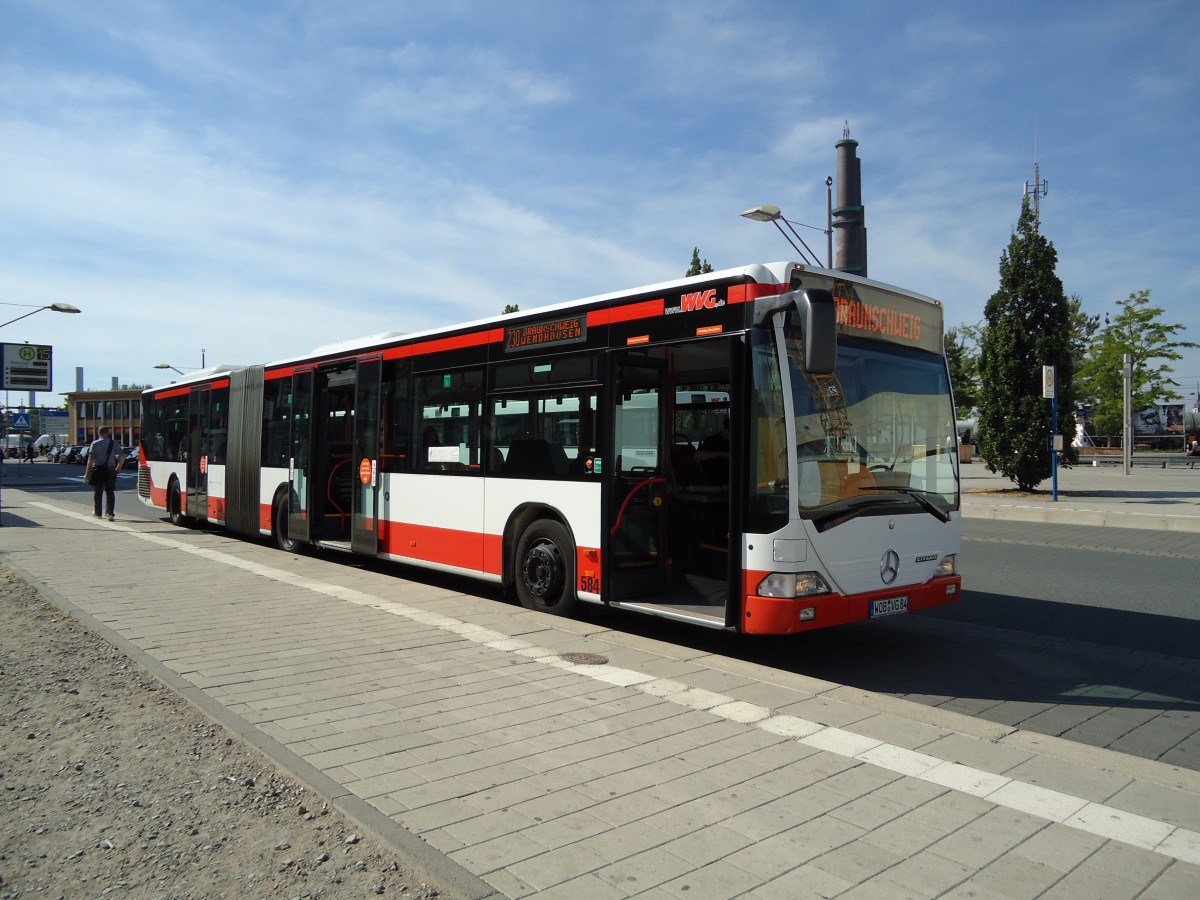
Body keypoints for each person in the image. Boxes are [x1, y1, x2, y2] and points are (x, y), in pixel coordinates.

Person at [85, 426, 124, 520]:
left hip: (98, 470)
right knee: (110, 492)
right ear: (108, 432)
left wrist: (87, 473)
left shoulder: (94, 443)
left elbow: (90, 460)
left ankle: (98, 513)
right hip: (110, 469)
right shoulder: (114, 443)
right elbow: (122, 456)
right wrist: (118, 467)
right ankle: (110, 513)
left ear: (99, 432)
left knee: (98, 492)